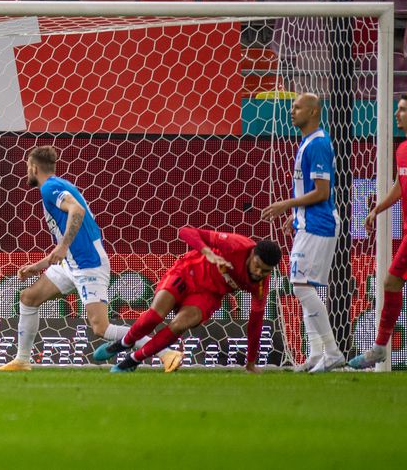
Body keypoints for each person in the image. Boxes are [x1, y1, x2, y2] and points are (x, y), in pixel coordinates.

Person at [0, 146, 181, 373]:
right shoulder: (61, 185)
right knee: (29, 297)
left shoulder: (50, 187)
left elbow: (77, 211)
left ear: (33, 167)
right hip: (71, 264)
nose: (27, 172)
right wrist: (40, 265)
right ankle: (22, 360)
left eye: (27, 167)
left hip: (88, 264)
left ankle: (165, 352)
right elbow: (72, 237)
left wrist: (62, 246)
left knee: (100, 327)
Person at [93, 226, 281, 373]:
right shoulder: (236, 245)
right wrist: (208, 252)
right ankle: (122, 343)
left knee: (179, 324)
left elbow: (255, 323)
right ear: (252, 254)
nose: (259, 273)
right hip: (188, 272)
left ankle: (132, 361)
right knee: (154, 316)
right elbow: (186, 232)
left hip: (208, 294)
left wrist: (251, 362)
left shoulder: (260, 286)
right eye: (257, 265)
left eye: (265, 271)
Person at [259, 93, 344, 373]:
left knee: (300, 286)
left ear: (314, 111)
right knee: (304, 286)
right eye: (292, 106)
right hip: (308, 222)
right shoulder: (307, 142)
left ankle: (331, 351)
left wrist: (287, 205)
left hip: (319, 223)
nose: (291, 111)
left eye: (297, 107)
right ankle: (316, 353)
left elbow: (321, 192)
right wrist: (295, 216)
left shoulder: (318, 143)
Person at [349, 94, 407, 369]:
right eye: (397, 109)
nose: (397, 115)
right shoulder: (402, 149)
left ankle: (380, 347)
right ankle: (380, 348)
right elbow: (399, 185)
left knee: (391, 283)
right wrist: (376, 209)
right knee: (391, 283)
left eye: (403, 110)